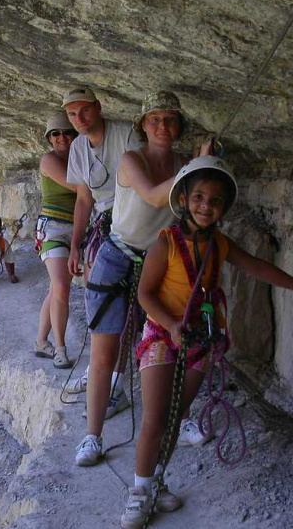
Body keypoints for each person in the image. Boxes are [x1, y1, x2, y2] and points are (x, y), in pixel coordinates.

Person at [119, 156, 293, 528]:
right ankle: (139, 491)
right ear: (183, 200)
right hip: (163, 333)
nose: (207, 205)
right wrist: (171, 325)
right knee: (156, 417)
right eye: (199, 197)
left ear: (223, 208)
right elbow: (145, 294)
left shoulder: (219, 243)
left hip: (201, 337)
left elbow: (256, 266)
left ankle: (155, 481)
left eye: (215, 200)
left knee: (175, 417)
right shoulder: (166, 242)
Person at [75, 91, 195, 467]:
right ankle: (92, 436)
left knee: (166, 348)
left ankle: (180, 417)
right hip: (119, 256)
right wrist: (198, 166)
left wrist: (202, 166)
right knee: (105, 353)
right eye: (155, 119)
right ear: (143, 125)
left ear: (179, 127)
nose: (163, 126)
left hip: (161, 262)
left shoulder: (185, 164)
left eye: (170, 119)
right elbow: (157, 197)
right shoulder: (131, 160)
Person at [63, 85, 142, 417]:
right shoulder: (79, 148)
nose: (79, 119)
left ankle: (115, 380)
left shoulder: (126, 135)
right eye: (72, 114)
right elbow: (84, 199)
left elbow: (140, 183)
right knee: (100, 298)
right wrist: (75, 244)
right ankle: (103, 370)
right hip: (103, 224)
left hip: (133, 222)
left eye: (85, 110)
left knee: (126, 303)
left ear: (98, 107)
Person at [35, 112, 78, 369]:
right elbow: (76, 186)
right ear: (50, 139)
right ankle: (60, 349)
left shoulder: (79, 157)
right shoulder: (48, 160)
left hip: (76, 229)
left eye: (67, 132)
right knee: (62, 286)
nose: (62, 137)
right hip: (52, 228)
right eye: (56, 133)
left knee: (56, 288)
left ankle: (41, 342)